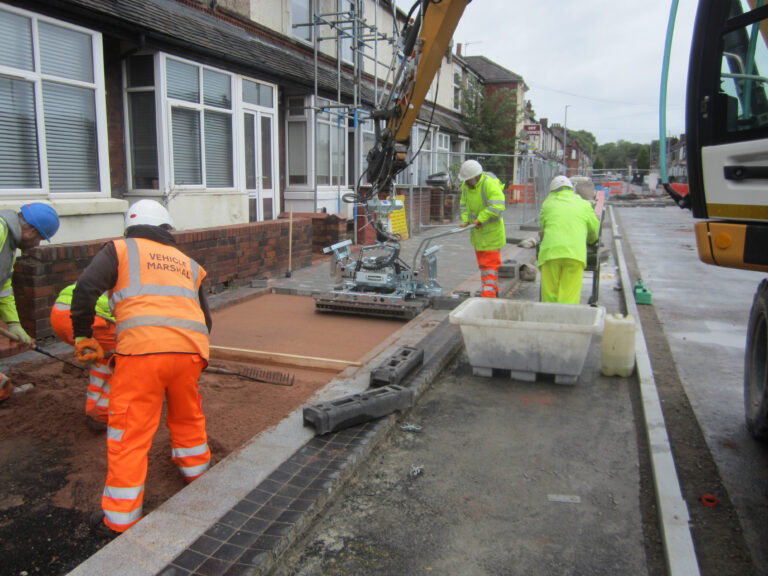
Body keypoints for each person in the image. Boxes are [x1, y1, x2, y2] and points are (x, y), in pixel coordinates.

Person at [71, 199, 213, 536]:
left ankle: (120, 520)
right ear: (167, 228)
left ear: (130, 228)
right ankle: (198, 477)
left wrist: (82, 335)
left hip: (141, 355)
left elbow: (86, 289)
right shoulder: (189, 263)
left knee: (130, 432)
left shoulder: (120, 250)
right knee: (187, 416)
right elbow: (206, 318)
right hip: (191, 352)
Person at [0, 203, 60, 402]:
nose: (38, 244)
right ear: (31, 231)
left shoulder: (8, 245)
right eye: (40, 238)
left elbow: (3, 288)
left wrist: (14, 324)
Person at [50, 283, 116, 430]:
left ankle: (92, 408)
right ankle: (102, 414)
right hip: (95, 316)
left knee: (103, 361)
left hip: (60, 313)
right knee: (129, 361)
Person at [537, 175, 600, 304]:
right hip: (575, 255)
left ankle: (548, 316)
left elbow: (543, 225)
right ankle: (566, 317)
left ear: (552, 191)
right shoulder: (584, 205)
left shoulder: (547, 204)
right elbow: (594, 231)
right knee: (569, 298)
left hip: (550, 254)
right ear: (571, 189)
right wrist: (590, 241)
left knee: (549, 297)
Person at [458, 160, 507, 298]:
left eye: (468, 179)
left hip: (492, 235)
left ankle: (488, 295)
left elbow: (498, 206)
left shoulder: (489, 184)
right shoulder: (466, 186)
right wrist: (465, 220)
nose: (466, 182)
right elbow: (464, 205)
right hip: (478, 235)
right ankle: (493, 291)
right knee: (484, 266)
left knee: (489, 267)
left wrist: (481, 219)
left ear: (476, 176)